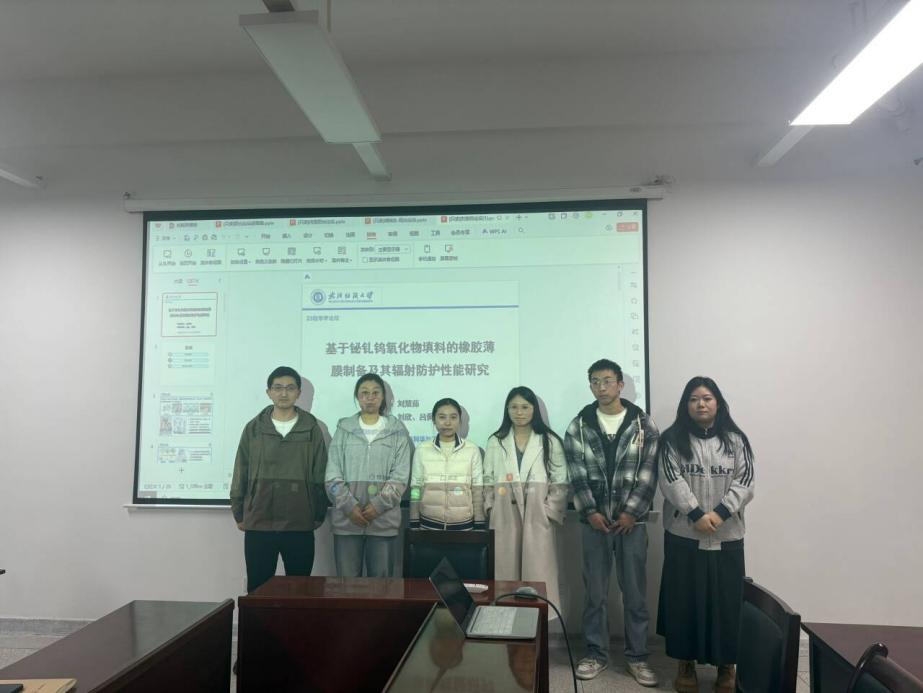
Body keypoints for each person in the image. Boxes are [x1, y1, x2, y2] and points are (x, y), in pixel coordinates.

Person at [564, 358, 660, 687]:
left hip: (632, 524)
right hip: (594, 524)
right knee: (595, 594)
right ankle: (596, 653)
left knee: (635, 594)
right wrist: (590, 512)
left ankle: (637, 656)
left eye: (607, 381)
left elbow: (649, 473)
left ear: (620, 384)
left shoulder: (643, 424)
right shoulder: (578, 425)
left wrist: (631, 512)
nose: (601, 387)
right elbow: (576, 474)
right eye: (595, 381)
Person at [656, 376, 755, 693]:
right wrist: (696, 514)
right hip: (684, 534)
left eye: (707, 398)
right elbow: (670, 480)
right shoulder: (672, 440)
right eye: (694, 399)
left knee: (727, 603)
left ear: (718, 403)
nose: (701, 404)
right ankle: (685, 664)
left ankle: (727, 666)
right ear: (686, 405)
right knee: (684, 600)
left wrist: (720, 513)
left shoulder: (736, 441)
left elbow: (745, 482)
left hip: (727, 536)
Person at [230, 365, 329, 593]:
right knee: (258, 589)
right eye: (278, 388)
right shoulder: (254, 428)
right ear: (269, 392)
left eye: (290, 388)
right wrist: (238, 510)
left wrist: (318, 512)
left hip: (299, 521)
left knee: (300, 590)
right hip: (259, 520)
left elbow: (320, 473)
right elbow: (241, 470)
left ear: (299, 393)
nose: (284, 393)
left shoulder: (311, 428)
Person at [483, 386, 568, 614]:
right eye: (513, 407)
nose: (519, 412)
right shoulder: (496, 441)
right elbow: (487, 479)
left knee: (537, 573)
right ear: (507, 410)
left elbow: (560, 481)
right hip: (505, 517)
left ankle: (536, 624)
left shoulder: (549, 440)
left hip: (537, 517)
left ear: (534, 410)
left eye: (525, 407)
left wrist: (548, 511)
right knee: (505, 574)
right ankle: (505, 623)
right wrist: (491, 507)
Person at [325, 373, 412, 577]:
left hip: (383, 520)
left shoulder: (397, 431)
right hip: (347, 521)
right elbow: (332, 476)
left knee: (381, 585)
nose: (370, 398)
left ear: (383, 397)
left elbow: (400, 476)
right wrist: (349, 506)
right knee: (347, 584)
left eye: (375, 393)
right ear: (357, 397)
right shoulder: (344, 429)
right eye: (364, 393)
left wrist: (379, 505)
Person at [409, 398, 485, 531]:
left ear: (460, 421)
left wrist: (479, 524)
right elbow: (416, 488)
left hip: (464, 527)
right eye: (442, 417)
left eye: (453, 417)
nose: (448, 422)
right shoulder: (422, 449)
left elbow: (477, 491)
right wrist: (414, 521)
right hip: (428, 526)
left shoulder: (472, 450)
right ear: (434, 420)